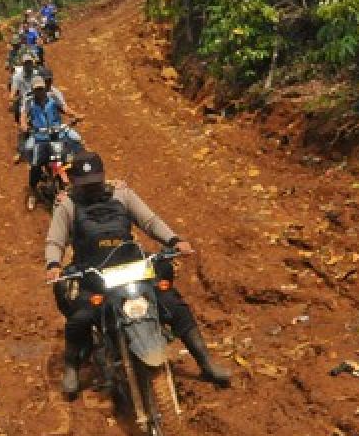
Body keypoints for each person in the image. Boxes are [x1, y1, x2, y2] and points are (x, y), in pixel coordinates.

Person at [44, 152, 231, 395]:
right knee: (81, 317)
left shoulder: (122, 194)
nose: (91, 187)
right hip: (94, 274)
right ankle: (72, 368)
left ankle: (206, 362)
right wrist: (53, 265)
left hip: (132, 268)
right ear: (73, 181)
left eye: (95, 181)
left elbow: (150, 222)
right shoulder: (67, 205)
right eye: (85, 183)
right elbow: (55, 241)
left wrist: (174, 240)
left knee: (172, 304)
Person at [20, 76, 82, 185]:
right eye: (37, 89)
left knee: (73, 148)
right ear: (33, 90)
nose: (39, 92)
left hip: (57, 134)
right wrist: (24, 125)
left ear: (45, 88)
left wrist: (76, 115)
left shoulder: (53, 98)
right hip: (40, 136)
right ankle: (33, 190)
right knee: (32, 155)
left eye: (41, 89)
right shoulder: (29, 102)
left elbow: (65, 109)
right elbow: (23, 115)